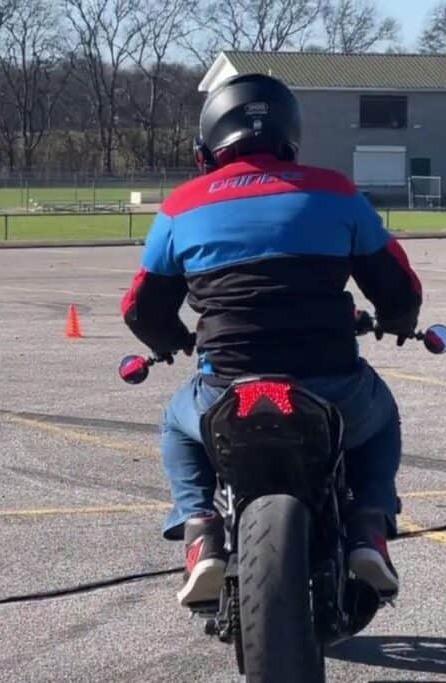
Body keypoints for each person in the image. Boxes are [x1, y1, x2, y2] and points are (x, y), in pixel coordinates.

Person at [120, 73, 422, 607]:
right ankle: (369, 525)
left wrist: (172, 339)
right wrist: (398, 319)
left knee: (176, 423)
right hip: (331, 383)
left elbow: (142, 307)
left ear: (207, 145)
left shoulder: (180, 206)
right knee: (381, 417)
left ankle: (200, 530)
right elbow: (397, 283)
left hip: (227, 383)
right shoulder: (336, 191)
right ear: (290, 135)